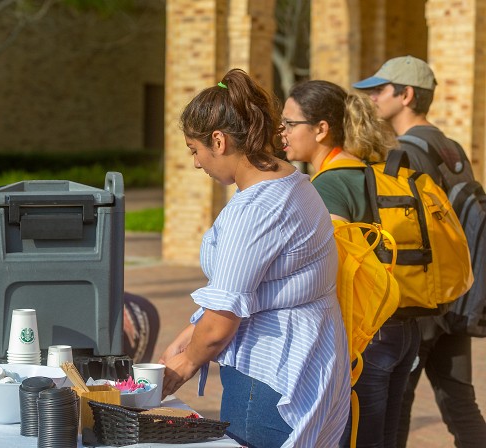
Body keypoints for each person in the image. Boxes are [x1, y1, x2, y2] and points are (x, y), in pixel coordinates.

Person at [158, 69, 350, 447]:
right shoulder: (295, 182)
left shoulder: (257, 209)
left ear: (219, 140)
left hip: (266, 382)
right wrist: (188, 334)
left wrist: (179, 368)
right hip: (309, 359)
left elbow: (220, 323)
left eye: (195, 150)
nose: (196, 163)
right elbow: (260, 288)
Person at [354, 55, 486, 448]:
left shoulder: (404, 154)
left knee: (398, 402)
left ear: (406, 94)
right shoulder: (450, 147)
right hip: (453, 295)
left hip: (418, 306)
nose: (373, 98)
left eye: (380, 90)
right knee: (461, 403)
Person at [281, 80, 415, 448]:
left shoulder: (329, 185)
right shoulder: (369, 170)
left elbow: (329, 267)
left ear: (321, 129)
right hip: (401, 328)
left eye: (290, 124)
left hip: (364, 336)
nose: (283, 133)